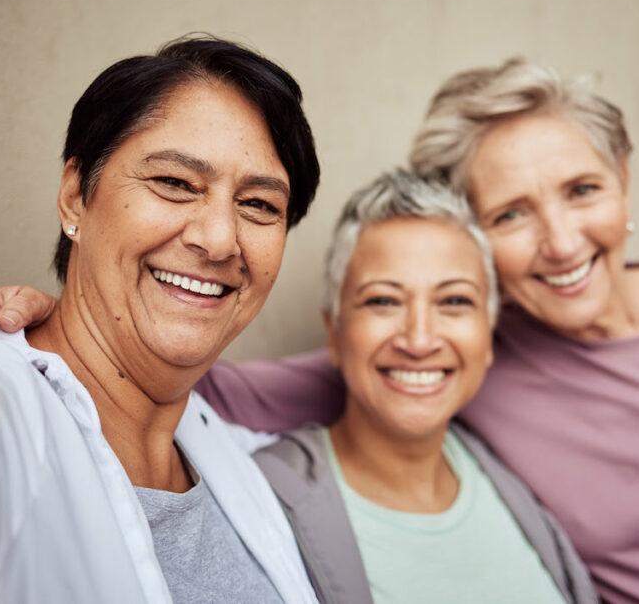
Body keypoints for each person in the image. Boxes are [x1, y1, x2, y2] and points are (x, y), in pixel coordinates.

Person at [0, 58, 639, 603]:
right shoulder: (479, 356)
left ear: (625, 186)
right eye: (514, 212)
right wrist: (47, 313)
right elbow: (168, 356)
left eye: (583, 190)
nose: (561, 240)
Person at [0, 36, 321, 603]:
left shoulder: (226, 448)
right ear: (74, 197)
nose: (218, 239)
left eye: (259, 205)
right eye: (175, 183)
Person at [252, 169, 598, 604]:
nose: (419, 340)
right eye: (383, 301)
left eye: (454, 301)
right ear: (335, 334)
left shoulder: (512, 475)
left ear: (488, 335)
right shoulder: (262, 501)